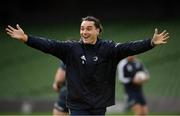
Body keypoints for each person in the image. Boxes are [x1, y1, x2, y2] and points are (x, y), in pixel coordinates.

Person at [5, 16, 169, 115]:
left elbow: (129, 47)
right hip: (77, 104)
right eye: (82, 28)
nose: (84, 32)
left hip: (99, 104)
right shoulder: (71, 49)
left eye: (89, 29)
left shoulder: (109, 48)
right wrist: (27, 38)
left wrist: (150, 43)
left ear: (98, 31)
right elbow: (49, 45)